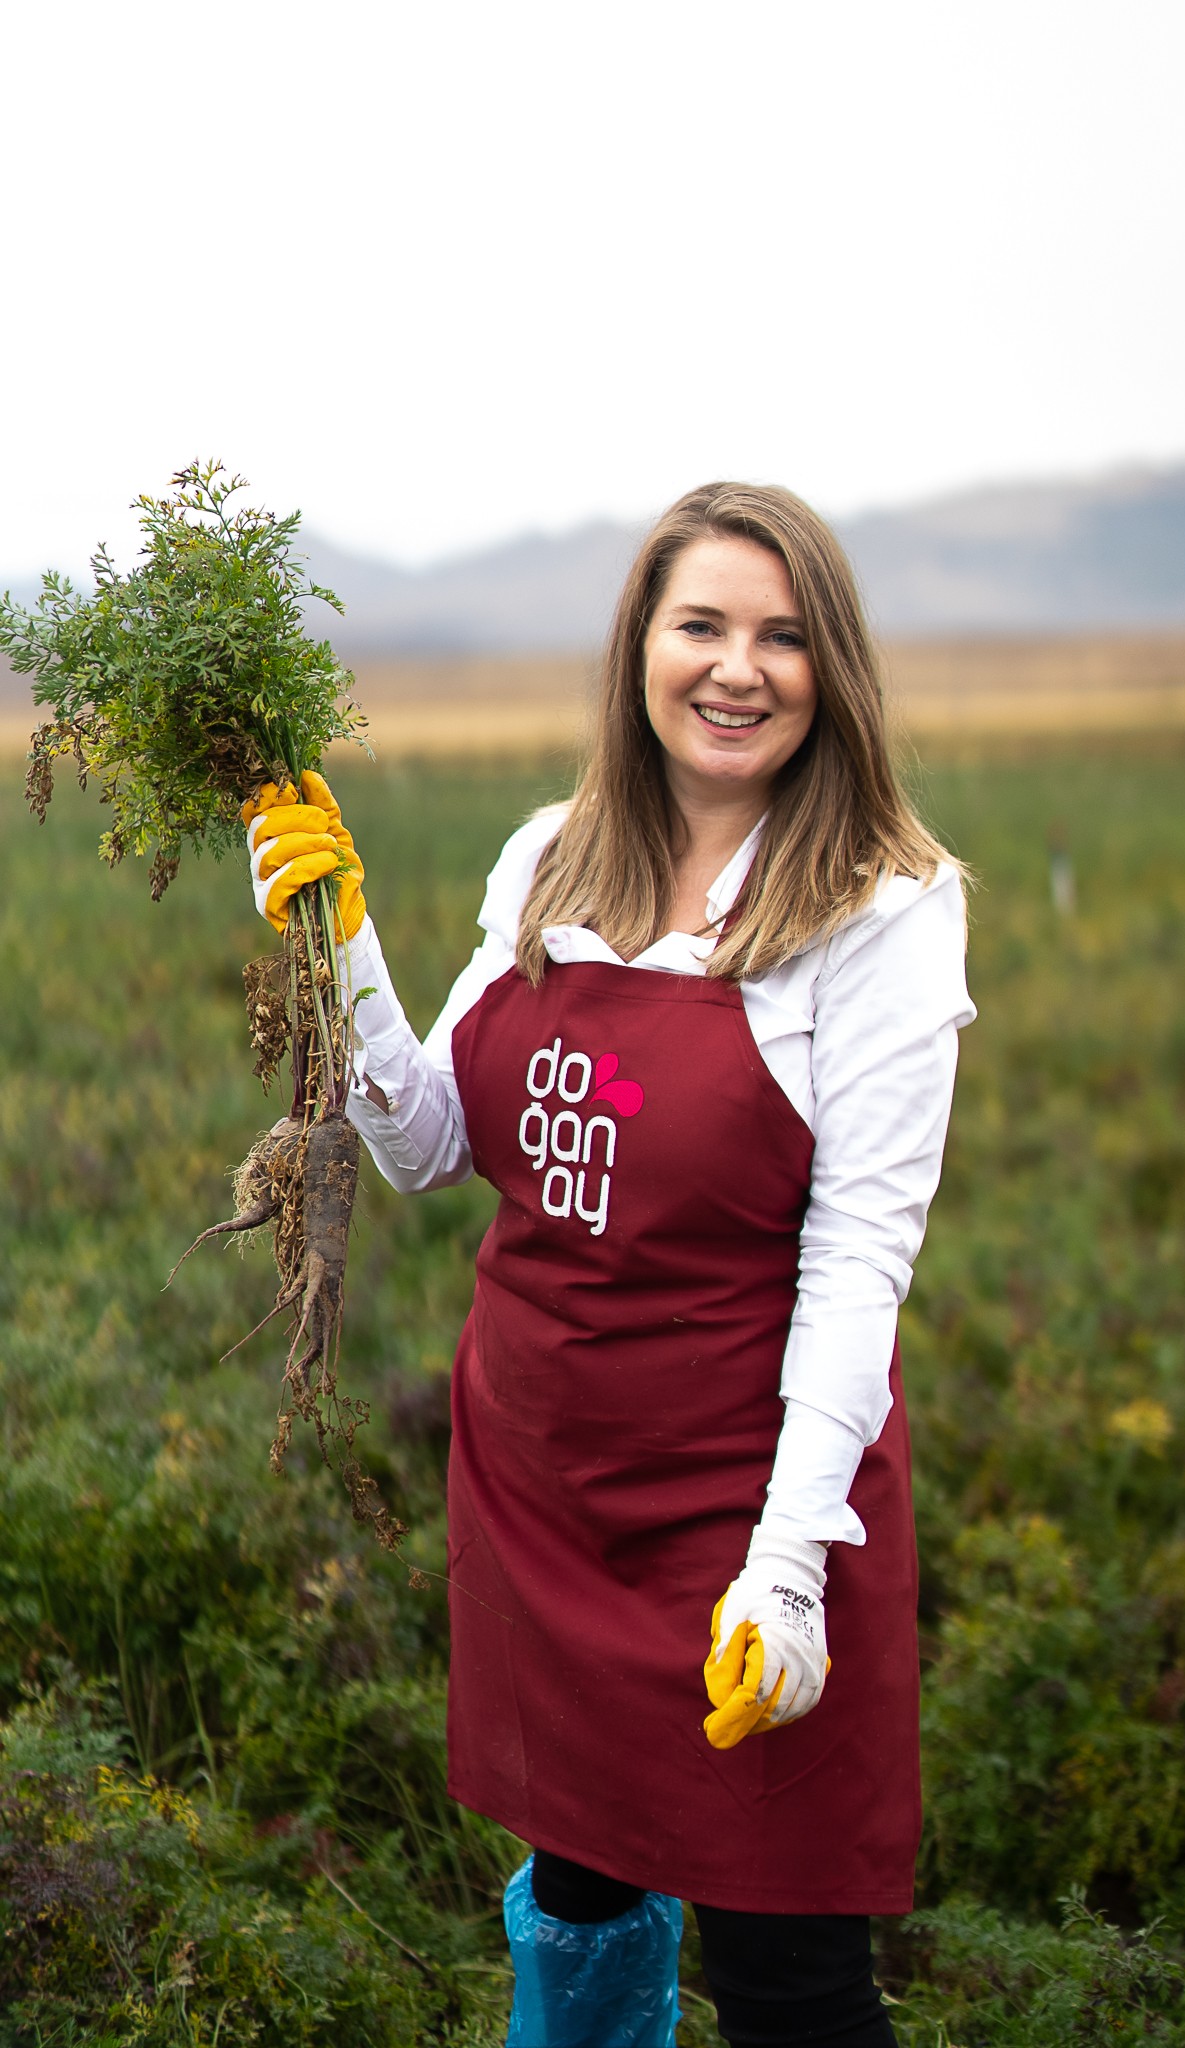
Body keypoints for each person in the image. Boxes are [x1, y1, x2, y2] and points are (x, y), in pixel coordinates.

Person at [245, 483, 976, 2048]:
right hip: (541, 1492)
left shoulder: (886, 908)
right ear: (637, 649)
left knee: (789, 1975)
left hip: (751, 1497)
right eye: (700, 625)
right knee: (576, 1905)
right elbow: (429, 1140)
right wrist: (339, 940)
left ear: (829, 668)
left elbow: (859, 1268)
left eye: (782, 637)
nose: (737, 668)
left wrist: (785, 1578)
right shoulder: (548, 859)